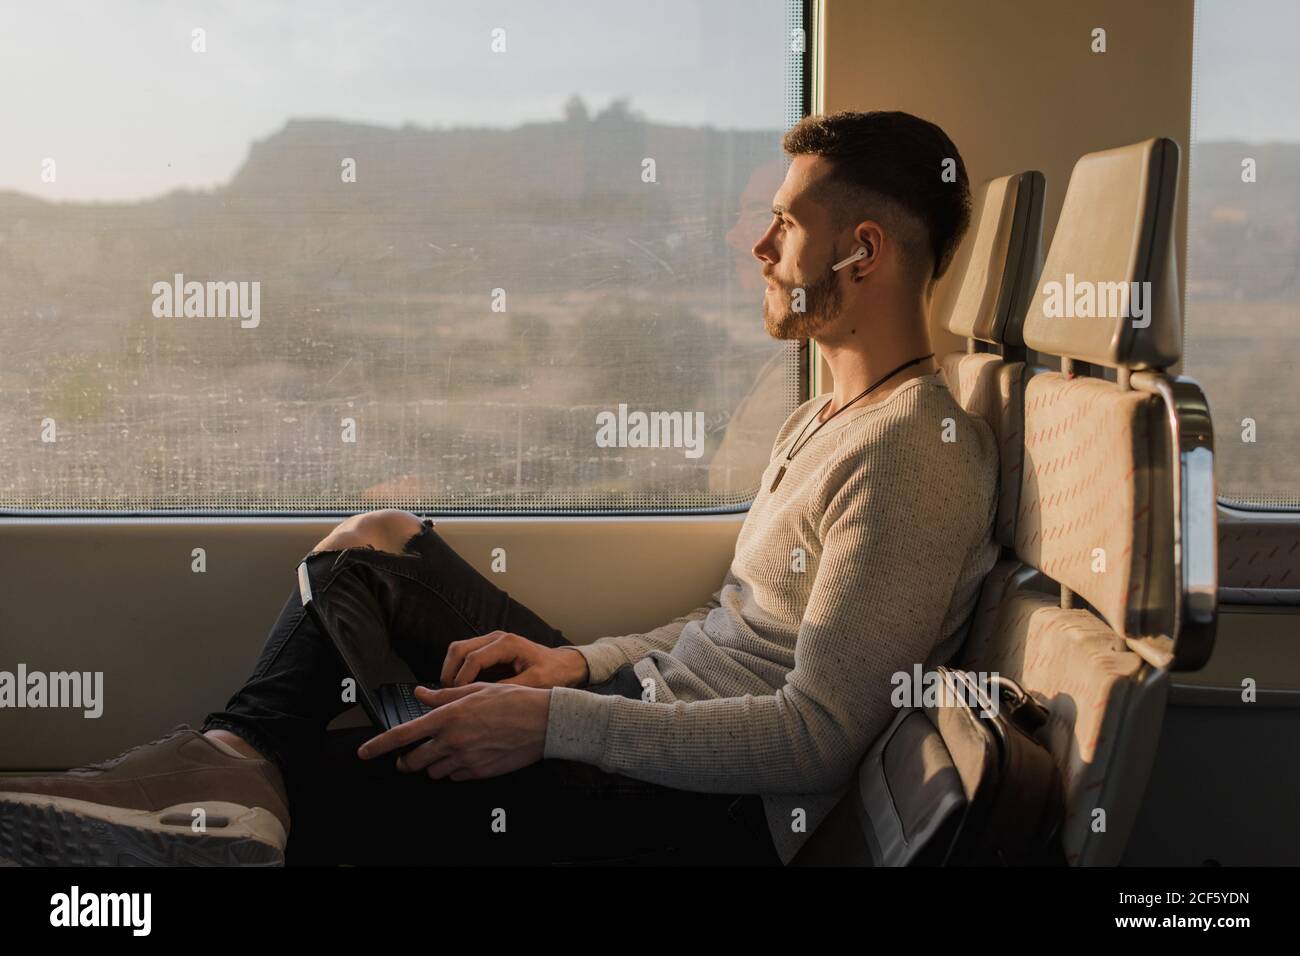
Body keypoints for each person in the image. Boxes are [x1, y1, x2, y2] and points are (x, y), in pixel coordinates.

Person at [0, 110, 999, 867]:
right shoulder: (821, 418)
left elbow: (815, 738)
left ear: (862, 250)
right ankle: (222, 757)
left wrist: (551, 723)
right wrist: (571, 662)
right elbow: (730, 622)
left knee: (316, 784)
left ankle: (194, 791)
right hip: (636, 712)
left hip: (698, 809)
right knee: (373, 546)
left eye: (785, 225)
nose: (759, 248)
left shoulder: (916, 451)